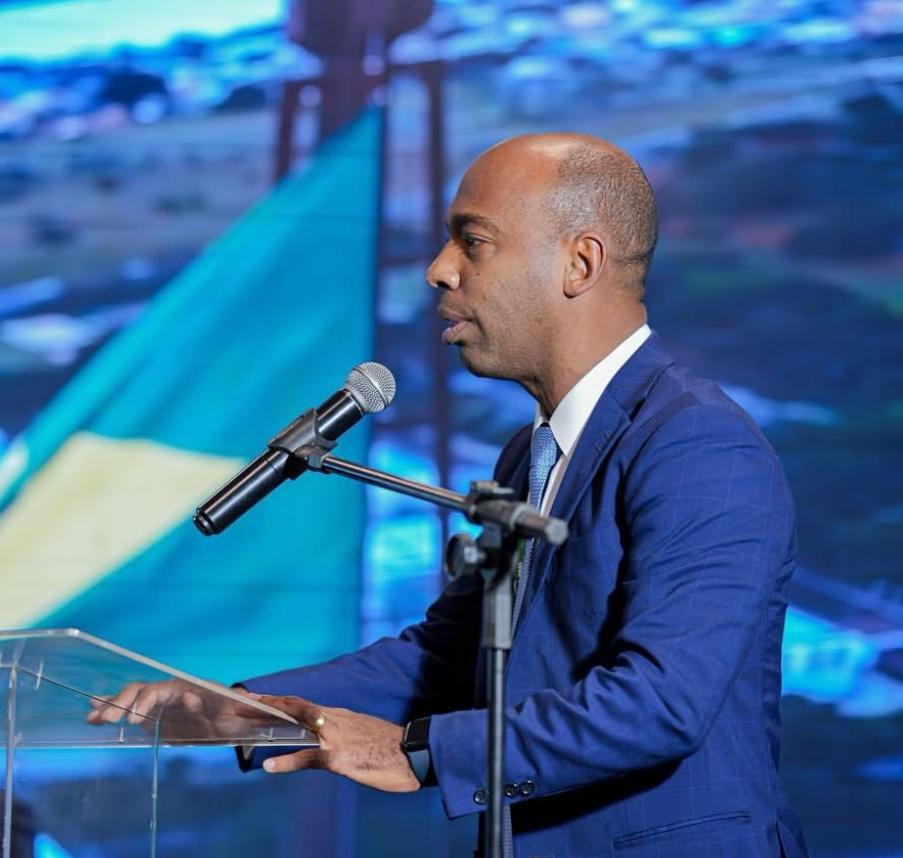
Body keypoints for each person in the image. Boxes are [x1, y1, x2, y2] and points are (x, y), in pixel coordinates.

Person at [93, 133, 810, 857]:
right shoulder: (529, 453)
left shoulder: (697, 444)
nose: (439, 269)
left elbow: (659, 702)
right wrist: (244, 707)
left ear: (579, 263)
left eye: (473, 242)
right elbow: (448, 659)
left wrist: (409, 751)